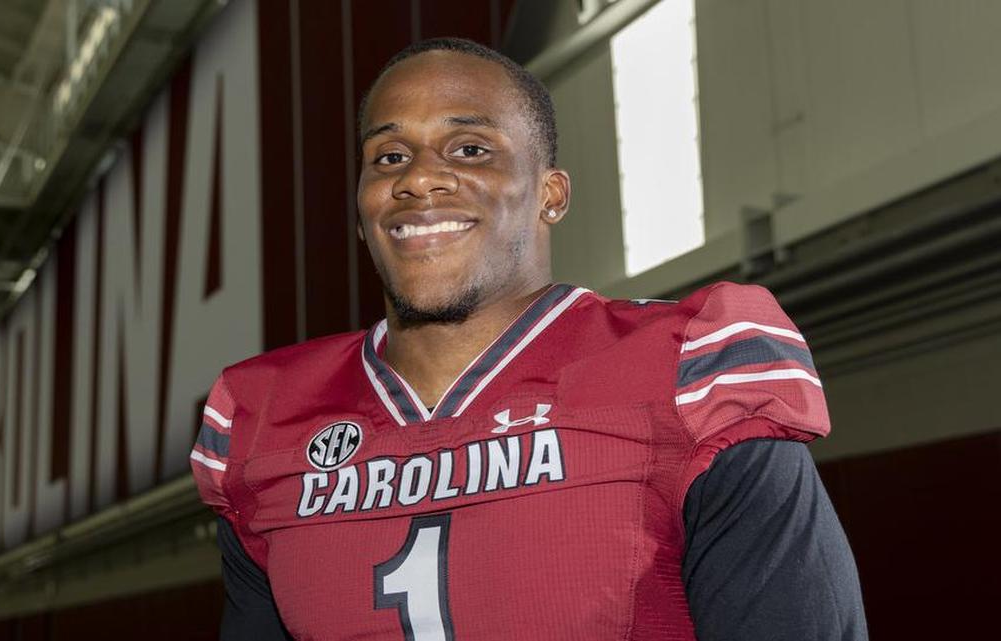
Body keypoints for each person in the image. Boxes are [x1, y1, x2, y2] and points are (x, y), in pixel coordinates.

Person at [191, 37, 867, 640]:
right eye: (389, 155)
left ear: (551, 194)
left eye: (470, 149)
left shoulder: (688, 372)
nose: (419, 177)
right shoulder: (264, 422)